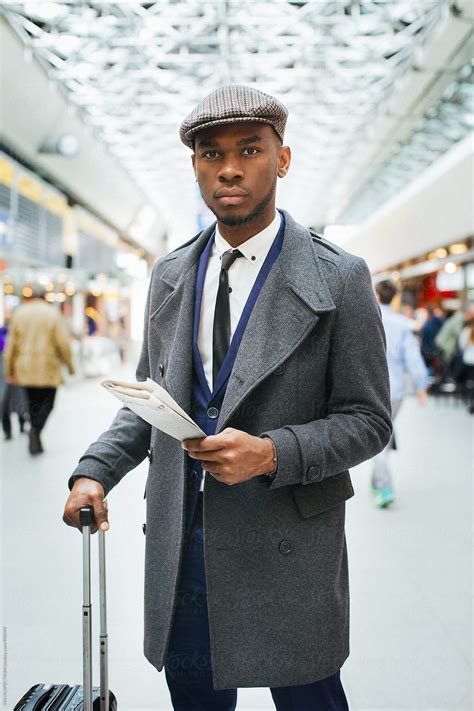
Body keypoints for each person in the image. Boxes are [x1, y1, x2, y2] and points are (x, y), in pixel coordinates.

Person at [63, 85, 391, 710]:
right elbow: (149, 401)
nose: (230, 168)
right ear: (195, 167)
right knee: (196, 698)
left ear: (283, 159)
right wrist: (94, 472)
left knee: (308, 698)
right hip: (184, 541)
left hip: (288, 542)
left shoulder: (339, 277)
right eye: (211, 154)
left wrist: (272, 453)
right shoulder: (171, 274)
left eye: (250, 149)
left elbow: (369, 420)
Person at [373, 280, 429, 508]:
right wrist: (421, 386)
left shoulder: (368, 318)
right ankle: (378, 481)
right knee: (383, 433)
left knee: (379, 440)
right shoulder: (401, 323)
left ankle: (384, 485)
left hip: (374, 389)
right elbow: (413, 357)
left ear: (376, 295)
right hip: (396, 391)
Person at [4, 284, 75, 454]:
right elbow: (63, 343)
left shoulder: (20, 313)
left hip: (25, 368)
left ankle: (34, 431)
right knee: (48, 403)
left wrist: (9, 371)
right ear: (45, 296)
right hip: (48, 368)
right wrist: (70, 366)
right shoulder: (53, 314)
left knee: (31, 403)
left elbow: (10, 345)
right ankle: (36, 430)